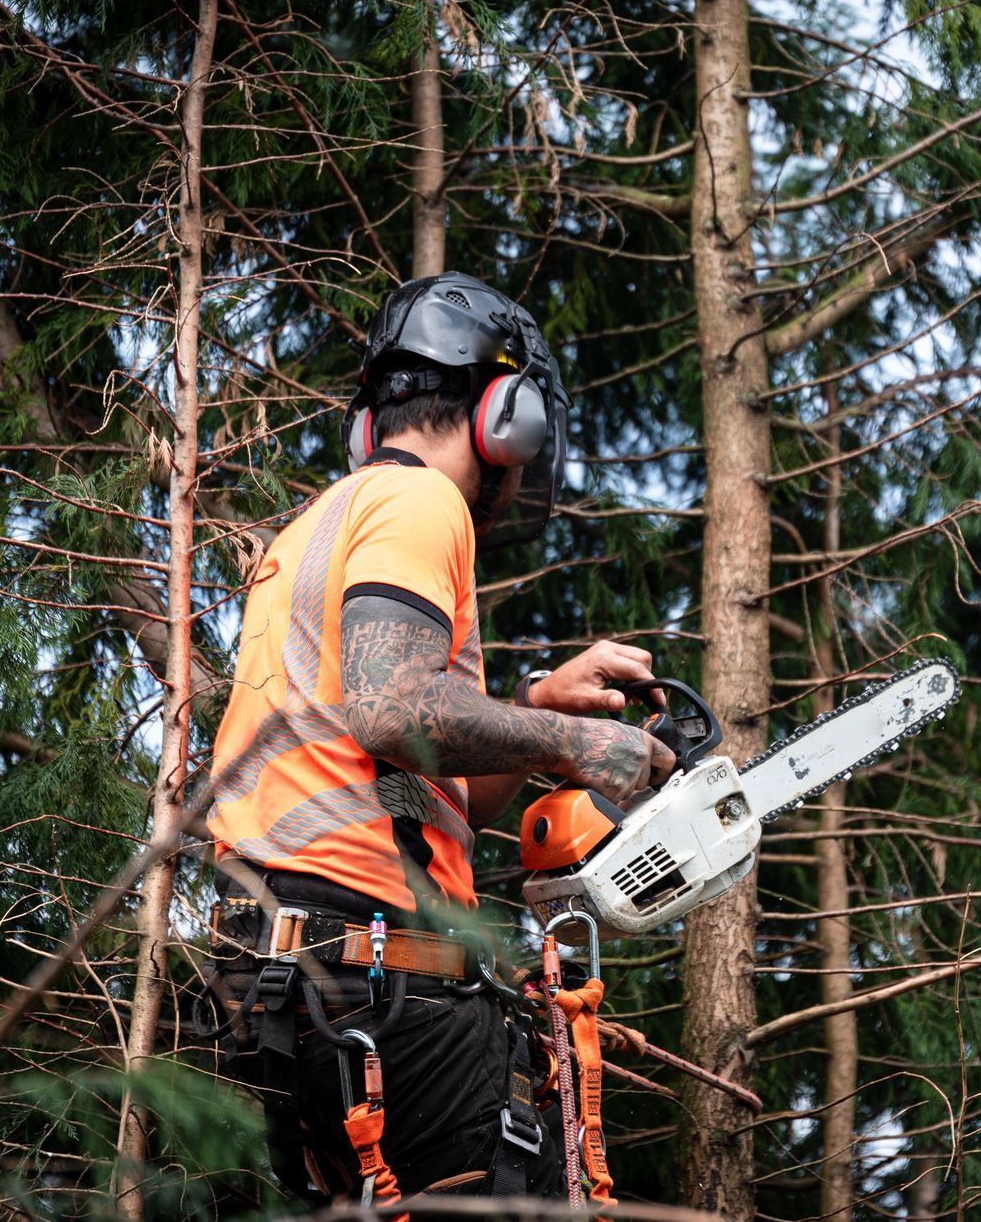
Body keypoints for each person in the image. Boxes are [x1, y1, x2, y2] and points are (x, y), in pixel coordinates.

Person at [201, 273, 675, 1204]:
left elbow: (398, 777)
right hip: (374, 985)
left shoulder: (319, 528)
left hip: (280, 984)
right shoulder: (422, 506)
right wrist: (584, 751)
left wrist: (541, 717)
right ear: (507, 414)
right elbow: (390, 710)